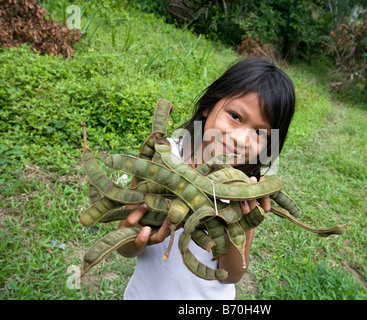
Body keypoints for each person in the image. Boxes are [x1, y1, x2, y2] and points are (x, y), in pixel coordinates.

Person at [117, 57, 296, 300]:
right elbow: (124, 248)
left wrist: (243, 226)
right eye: (235, 116)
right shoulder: (160, 157)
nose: (241, 139)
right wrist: (135, 239)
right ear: (208, 105)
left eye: (259, 133)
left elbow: (232, 275)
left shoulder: (243, 192)